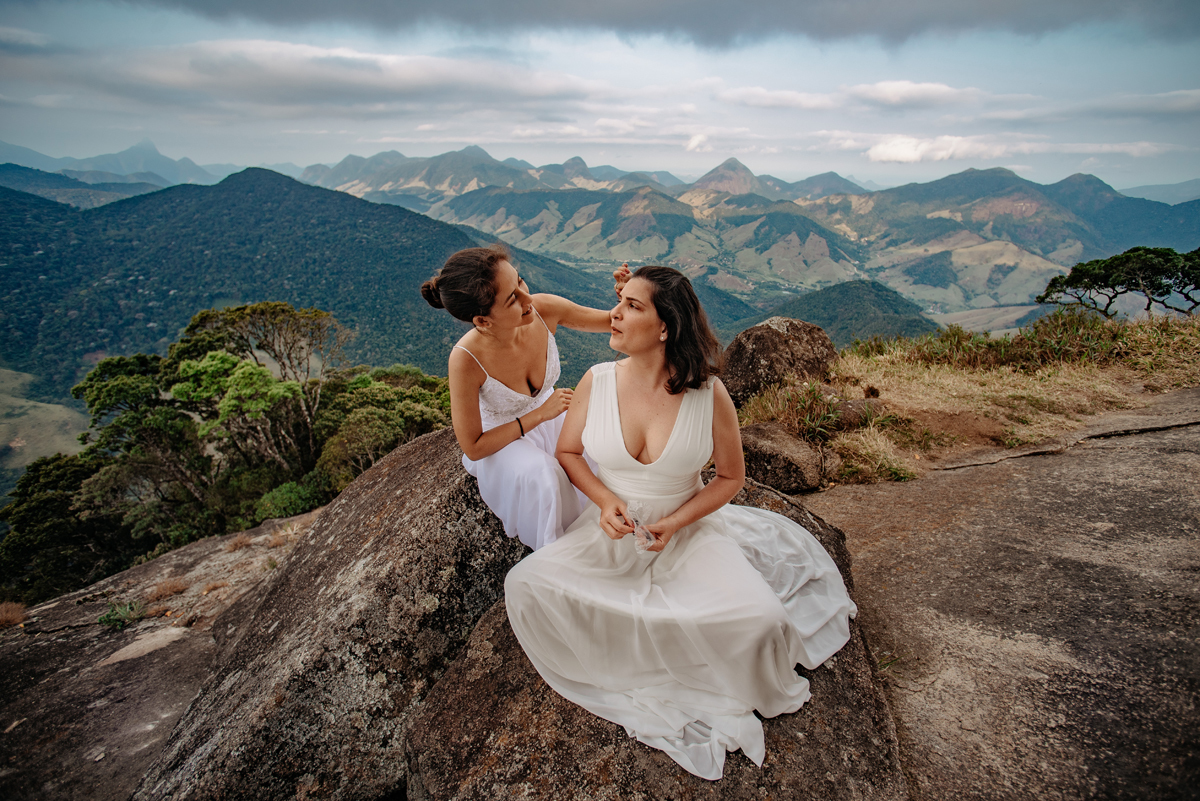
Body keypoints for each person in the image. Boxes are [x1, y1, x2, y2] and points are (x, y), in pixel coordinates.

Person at [504, 266, 857, 780]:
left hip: (689, 532)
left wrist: (675, 522)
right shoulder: (597, 381)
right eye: (619, 302)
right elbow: (569, 451)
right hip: (610, 536)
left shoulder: (708, 393)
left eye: (632, 306)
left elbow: (730, 477)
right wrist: (603, 500)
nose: (614, 314)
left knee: (762, 623)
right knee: (525, 584)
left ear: (666, 326)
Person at [421, 245, 628, 551]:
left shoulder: (543, 309)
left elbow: (612, 322)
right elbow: (473, 447)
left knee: (606, 444)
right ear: (483, 321)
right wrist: (540, 414)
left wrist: (627, 297)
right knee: (544, 477)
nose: (527, 298)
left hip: (552, 416)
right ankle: (563, 556)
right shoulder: (466, 359)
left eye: (520, 281)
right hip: (502, 439)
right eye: (512, 299)